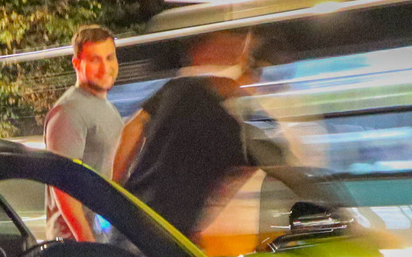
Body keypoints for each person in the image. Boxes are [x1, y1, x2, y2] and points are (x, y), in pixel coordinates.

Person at [114, 29, 258, 242]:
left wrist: (114, 189)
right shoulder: (233, 131)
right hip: (171, 234)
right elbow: (223, 190)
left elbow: (133, 128)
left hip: (133, 216)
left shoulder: (178, 89)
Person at [41, 25, 122, 240]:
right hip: (75, 246)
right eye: (95, 60)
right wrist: (87, 240)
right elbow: (63, 181)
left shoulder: (108, 109)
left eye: (110, 57)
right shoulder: (69, 111)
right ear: (77, 64)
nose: (105, 67)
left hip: (101, 238)